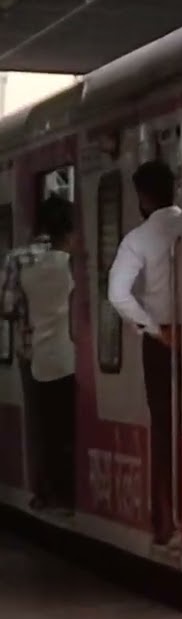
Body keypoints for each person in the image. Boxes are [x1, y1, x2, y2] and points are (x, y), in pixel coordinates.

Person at [108, 160, 182, 544]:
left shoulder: (138, 238)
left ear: (143, 196)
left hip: (163, 342)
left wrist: (154, 329)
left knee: (163, 426)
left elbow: (118, 293)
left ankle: (165, 520)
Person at [0, 196, 77, 511]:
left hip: (32, 351)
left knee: (40, 423)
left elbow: (7, 308)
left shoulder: (18, 259)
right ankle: (69, 488)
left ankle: (44, 490)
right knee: (66, 422)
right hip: (70, 351)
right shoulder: (71, 260)